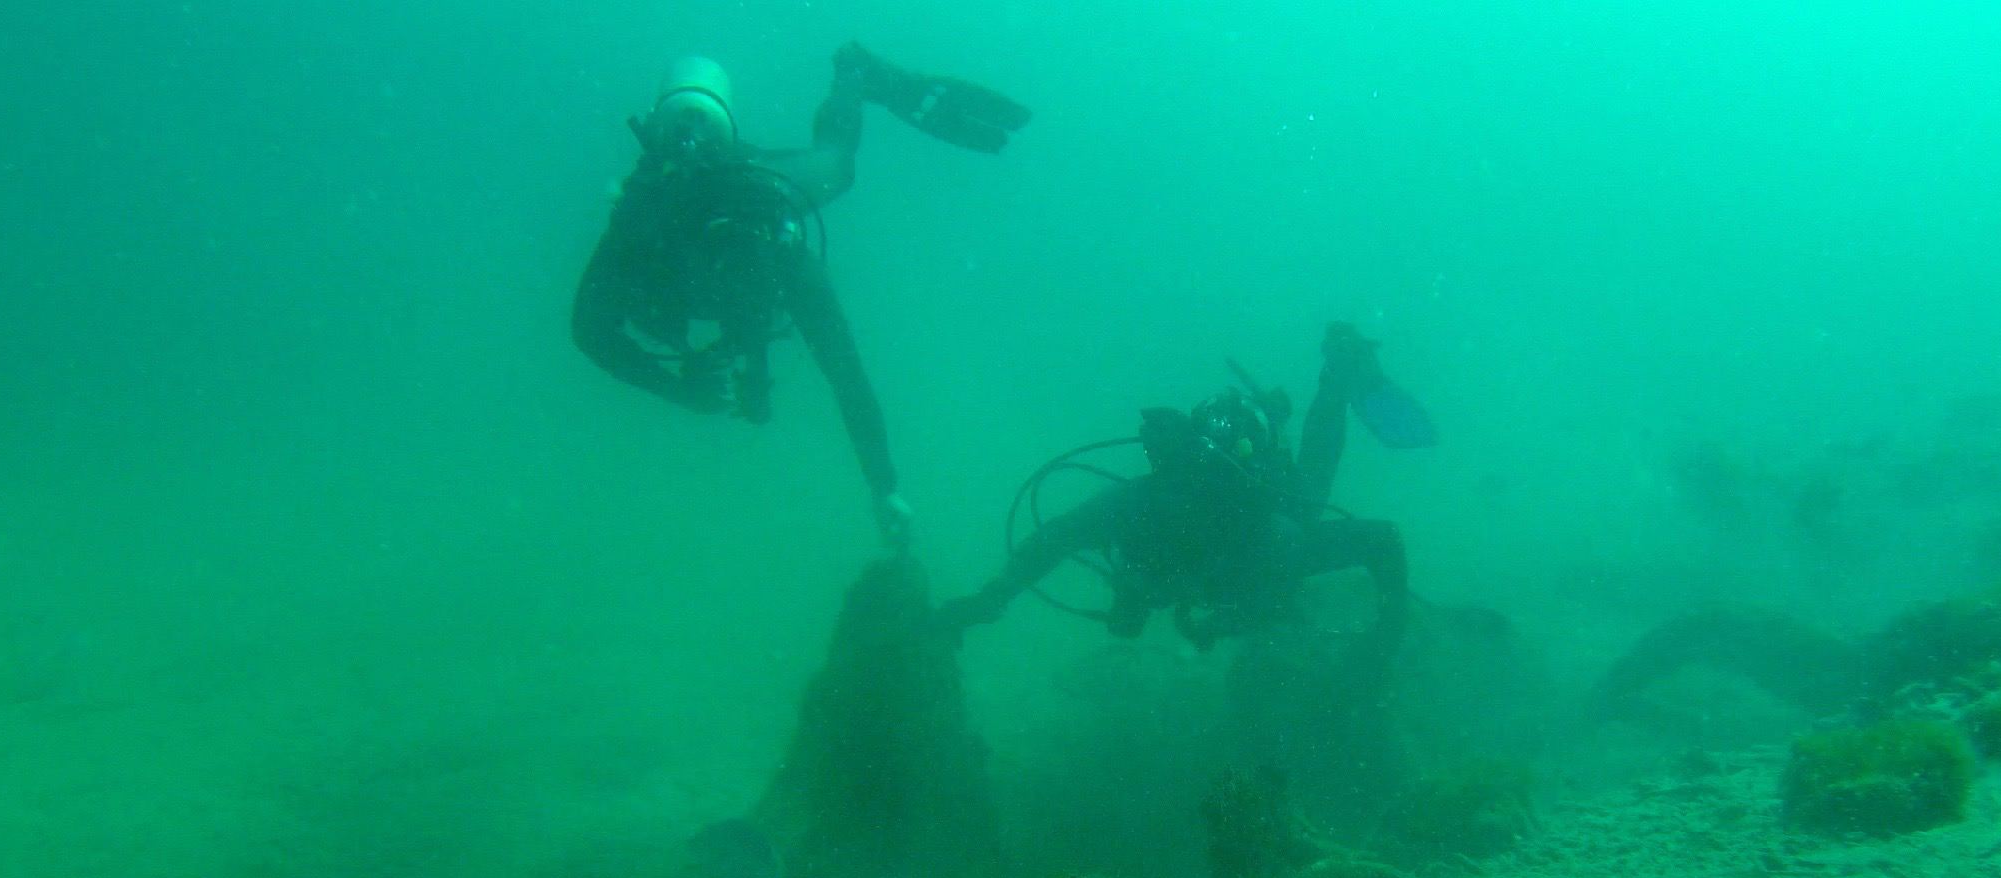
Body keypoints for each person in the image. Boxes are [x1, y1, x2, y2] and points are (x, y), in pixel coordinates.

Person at [572, 47, 1030, 549]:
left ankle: (855, 72)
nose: (724, 267)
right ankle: (852, 73)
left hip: (758, 185)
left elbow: (846, 374)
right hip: (720, 205)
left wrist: (884, 488)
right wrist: (674, 388)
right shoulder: (644, 226)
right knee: (835, 163)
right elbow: (589, 330)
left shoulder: (777, 241)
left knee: (838, 162)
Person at [937, 324, 1430, 664]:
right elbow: (1056, 538)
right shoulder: (1146, 508)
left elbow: (1056, 538)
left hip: (1269, 512)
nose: (1190, 515)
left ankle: (1333, 380)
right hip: (1248, 534)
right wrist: (989, 601)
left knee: (1308, 492)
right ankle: (1326, 381)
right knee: (1310, 488)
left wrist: (992, 600)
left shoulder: (1250, 525)